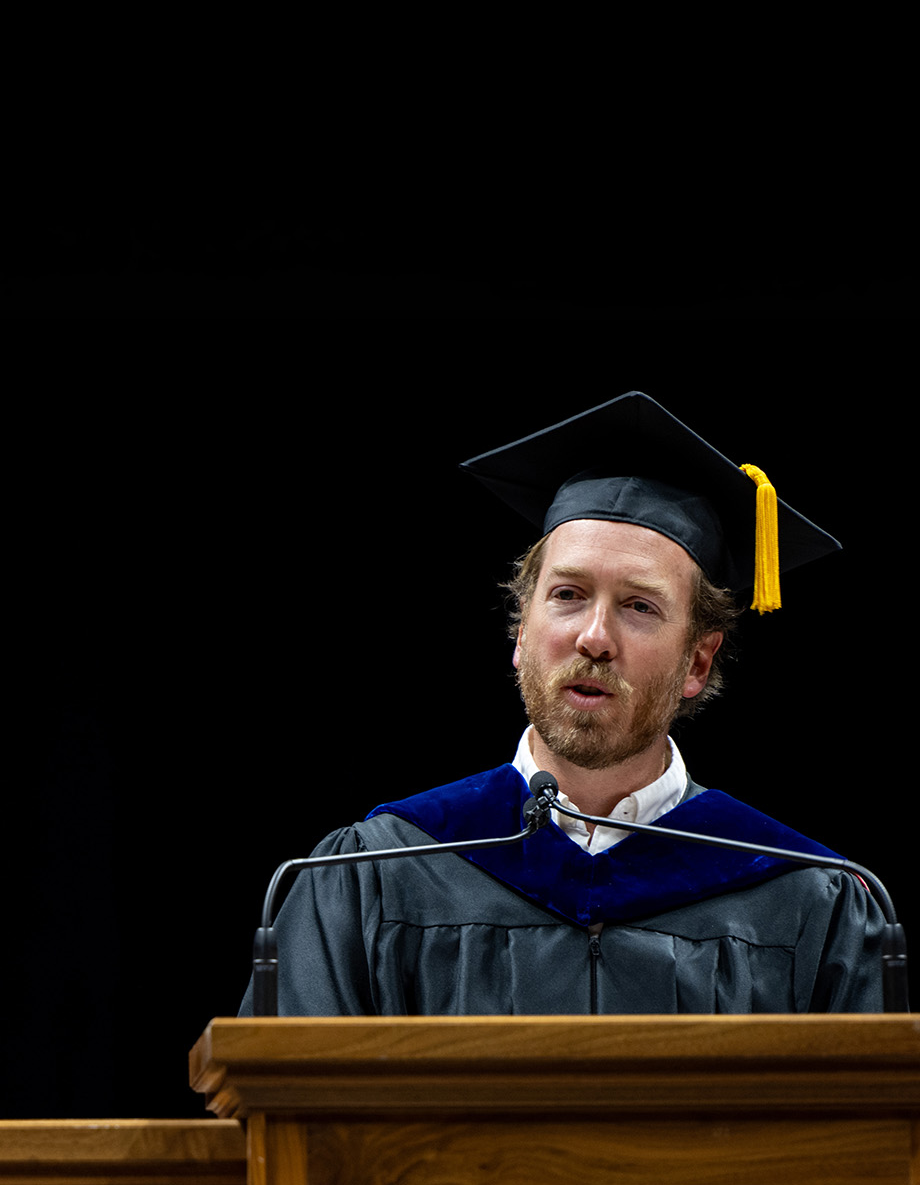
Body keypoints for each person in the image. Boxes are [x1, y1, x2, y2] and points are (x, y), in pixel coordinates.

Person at [247, 392, 887, 1015]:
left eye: (639, 606)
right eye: (568, 595)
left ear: (699, 661)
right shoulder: (375, 875)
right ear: (521, 634)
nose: (595, 637)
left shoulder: (803, 897)